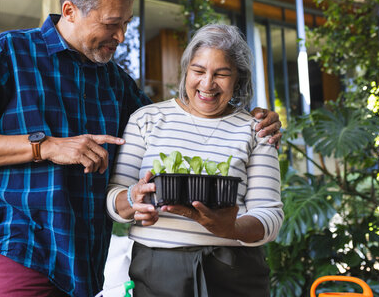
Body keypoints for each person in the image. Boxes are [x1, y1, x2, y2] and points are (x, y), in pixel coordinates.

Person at [0, 0, 282, 297]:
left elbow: (181, 125)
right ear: (70, 11)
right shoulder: (11, 52)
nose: (121, 35)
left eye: (126, 23)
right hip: (21, 244)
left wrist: (251, 118)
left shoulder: (117, 82)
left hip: (84, 255)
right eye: (112, 23)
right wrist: (48, 146)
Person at [106, 24, 283, 297]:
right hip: (157, 269)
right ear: (186, 70)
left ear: (238, 79)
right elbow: (114, 198)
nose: (207, 83)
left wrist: (230, 228)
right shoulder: (146, 119)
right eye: (198, 71)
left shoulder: (256, 129)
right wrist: (132, 199)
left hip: (234, 270)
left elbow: (269, 214)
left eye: (222, 74)